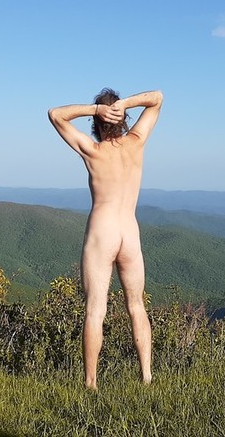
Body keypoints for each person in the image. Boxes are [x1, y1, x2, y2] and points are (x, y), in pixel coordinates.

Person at [48, 88, 164, 390]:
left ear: (98, 122)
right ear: (123, 120)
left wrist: (94, 109)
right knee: (136, 305)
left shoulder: (93, 150)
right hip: (130, 232)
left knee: (95, 310)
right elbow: (157, 98)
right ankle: (146, 377)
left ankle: (91, 384)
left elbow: (55, 115)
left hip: (103, 232)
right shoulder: (136, 142)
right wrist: (125, 104)